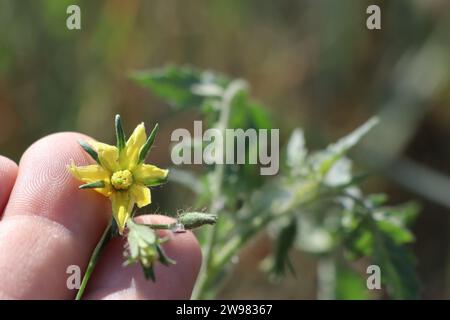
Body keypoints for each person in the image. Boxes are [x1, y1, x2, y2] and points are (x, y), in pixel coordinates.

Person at [0, 132, 201, 299]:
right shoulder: (109, 179)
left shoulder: (133, 195)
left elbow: (126, 214)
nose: (122, 179)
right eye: (120, 179)